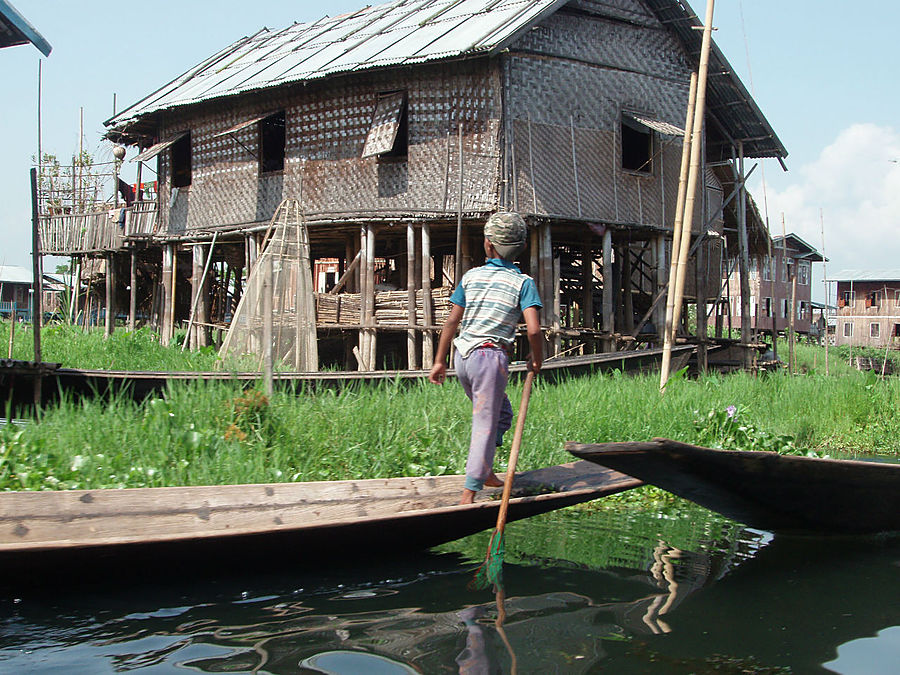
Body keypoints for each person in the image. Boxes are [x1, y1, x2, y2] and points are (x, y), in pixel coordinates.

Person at [429, 212, 543, 505]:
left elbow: (451, 322)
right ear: (519, 248)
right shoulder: (523, 282)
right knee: (486, 423)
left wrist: (440, 361)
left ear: (488, 245)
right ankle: (470, 491)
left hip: (463, 358)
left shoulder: (471, 276)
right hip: (490, 359)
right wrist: (537, 357)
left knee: (501, 414)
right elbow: (533, 329)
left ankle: (486, 471)